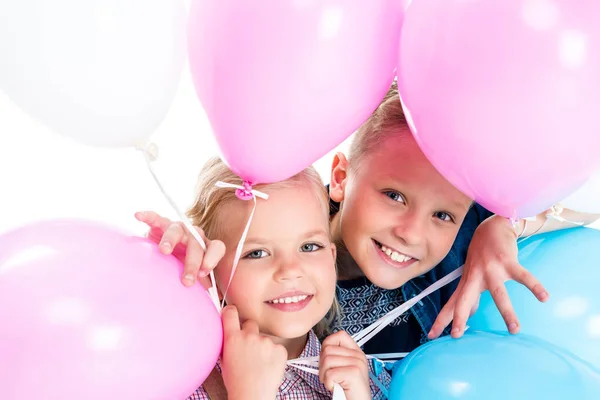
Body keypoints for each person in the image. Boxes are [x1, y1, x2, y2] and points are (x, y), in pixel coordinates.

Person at [137, 83, 600, 358]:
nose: (412, 231)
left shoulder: (462, 239)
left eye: (444, 215)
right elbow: (227, 231)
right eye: (393, 195)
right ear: (340, 177)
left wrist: (501, 224)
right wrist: (192, 262)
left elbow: (581, 199)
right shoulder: (284, 220)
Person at [153, 157, 389, 399]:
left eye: (309, 247)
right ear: (211, 272)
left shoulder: (367, 381)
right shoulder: (178, 380)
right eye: (257, 253)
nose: (290, 270)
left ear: (331, 257)